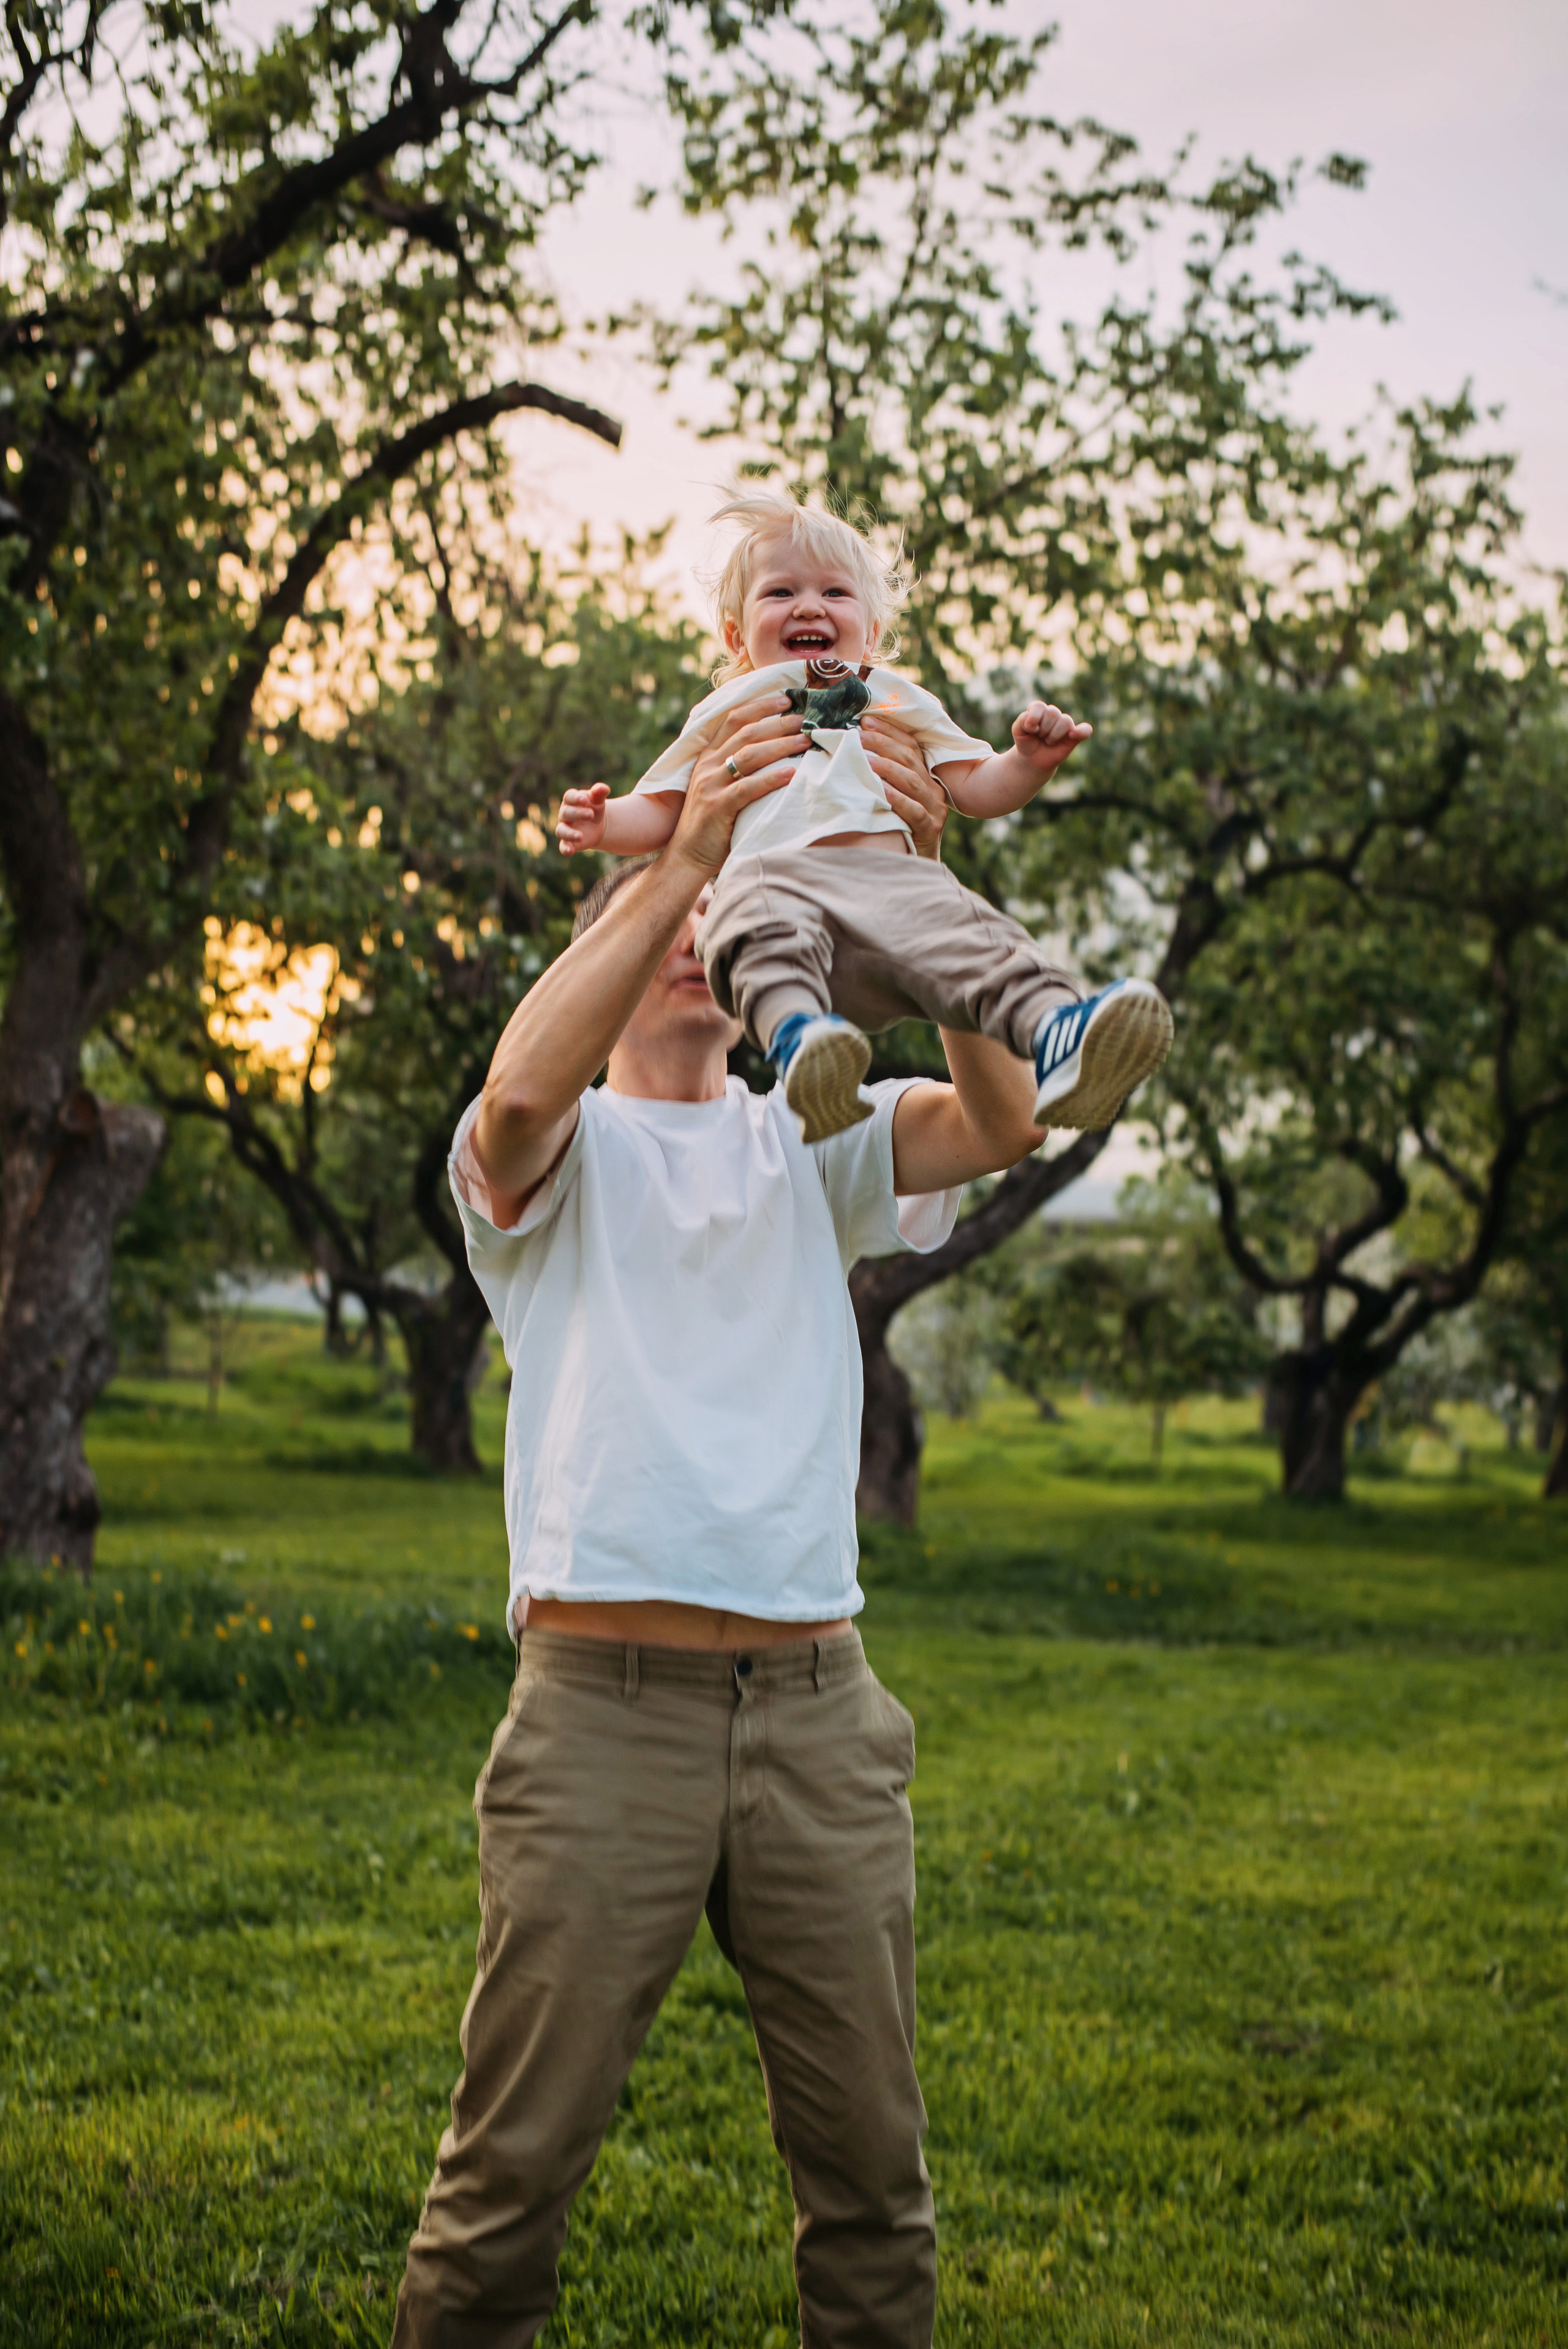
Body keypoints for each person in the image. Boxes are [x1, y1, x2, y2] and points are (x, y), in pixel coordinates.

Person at [390, 722, 1049, 2349]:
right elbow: (520, 1090)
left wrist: (917, 892)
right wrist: (676, 854)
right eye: (671, 912)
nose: (701, 929)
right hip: (601, 1717)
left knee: (873, 2187)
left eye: (730, 905)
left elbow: (1003, 1124)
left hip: (821, 1716)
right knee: (505, 2187)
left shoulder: (806, 1139)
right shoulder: (554, 1157)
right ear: (608, 947)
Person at [557, 488, 1172, 1146]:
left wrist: (1026, 763)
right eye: (780, 592)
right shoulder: (733, 710)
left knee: (979, 941)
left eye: (835, 593)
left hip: (892, 894)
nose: (809, 606)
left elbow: (973, 784)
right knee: (748, 927)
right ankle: (805, 1046)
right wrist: (604, 823)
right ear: (737, 637)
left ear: (872, 634)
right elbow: (666, 808)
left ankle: (1057, 1033)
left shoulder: (894, 700)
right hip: (781, 882)